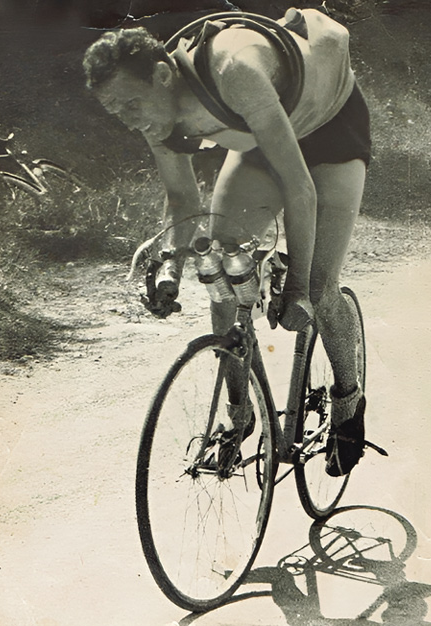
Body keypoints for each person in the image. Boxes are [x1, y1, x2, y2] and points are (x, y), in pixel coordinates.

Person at [82, 6, 372, 476]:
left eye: (130, 106)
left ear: (161, 76)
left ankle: (348, 400)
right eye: (117, 114)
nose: (129, 122)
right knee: (220, 268)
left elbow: (300, 188)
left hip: (329, 132)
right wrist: (171, 266)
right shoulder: (157, 116)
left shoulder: (235, 70)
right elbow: (180, 198)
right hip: (266, 141)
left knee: (319, 290)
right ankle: (239, 417)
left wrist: (297, 288)